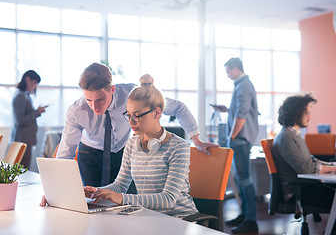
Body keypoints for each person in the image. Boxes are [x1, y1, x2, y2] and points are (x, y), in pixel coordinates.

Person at [56, 62, 217, 188]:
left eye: (99, 100)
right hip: (90, 156)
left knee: (126, 203)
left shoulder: (133, 95)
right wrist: (55, 191)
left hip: (124, 153)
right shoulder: (76, 111)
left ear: (112, 89)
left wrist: (196, 141)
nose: (94, 106)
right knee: (94, 202)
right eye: (88, 100)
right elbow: (65, 154)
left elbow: (178, 108)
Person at [83, 84, 199, 217]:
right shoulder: (132, 144)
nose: (131, 122)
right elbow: (120, 185)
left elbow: (168, 199)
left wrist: (121, 198)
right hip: (149, 217)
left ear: (157, 112)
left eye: (137, 116)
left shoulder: (179, 147)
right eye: (129, 115)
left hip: (181, 218)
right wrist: (97, 192)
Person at [272, 93, 336, 212]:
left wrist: (335, 166)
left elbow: (311, 160)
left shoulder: (293, 135)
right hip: (298, 192)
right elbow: (305, 168)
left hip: (307, 187)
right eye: (307, 113)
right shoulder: (286, 138)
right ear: (295, 113)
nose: (310, 117)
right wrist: (334, 169)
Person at [214, 57, 259, 233]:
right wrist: (227, 110)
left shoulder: (244, 86)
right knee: (240, 178)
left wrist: (232, 136)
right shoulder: (241, 86)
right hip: (240, 138)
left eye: (228, 72)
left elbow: (242, 114)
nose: (227, 75)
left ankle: (251, 220)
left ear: (235, 69)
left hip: (240, 138)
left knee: (244, 179)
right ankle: (245, 214)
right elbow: (239, 110)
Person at [10, 70, 47, 169]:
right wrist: (37, 112)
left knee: (23, 168)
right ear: (27, 79)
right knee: (23, 170)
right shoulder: (21, 96)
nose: (35, 86)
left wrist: (36, 112)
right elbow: (20, 120)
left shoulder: (24, 95)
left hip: (24, 138)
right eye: (34, 83)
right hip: (22, 139)